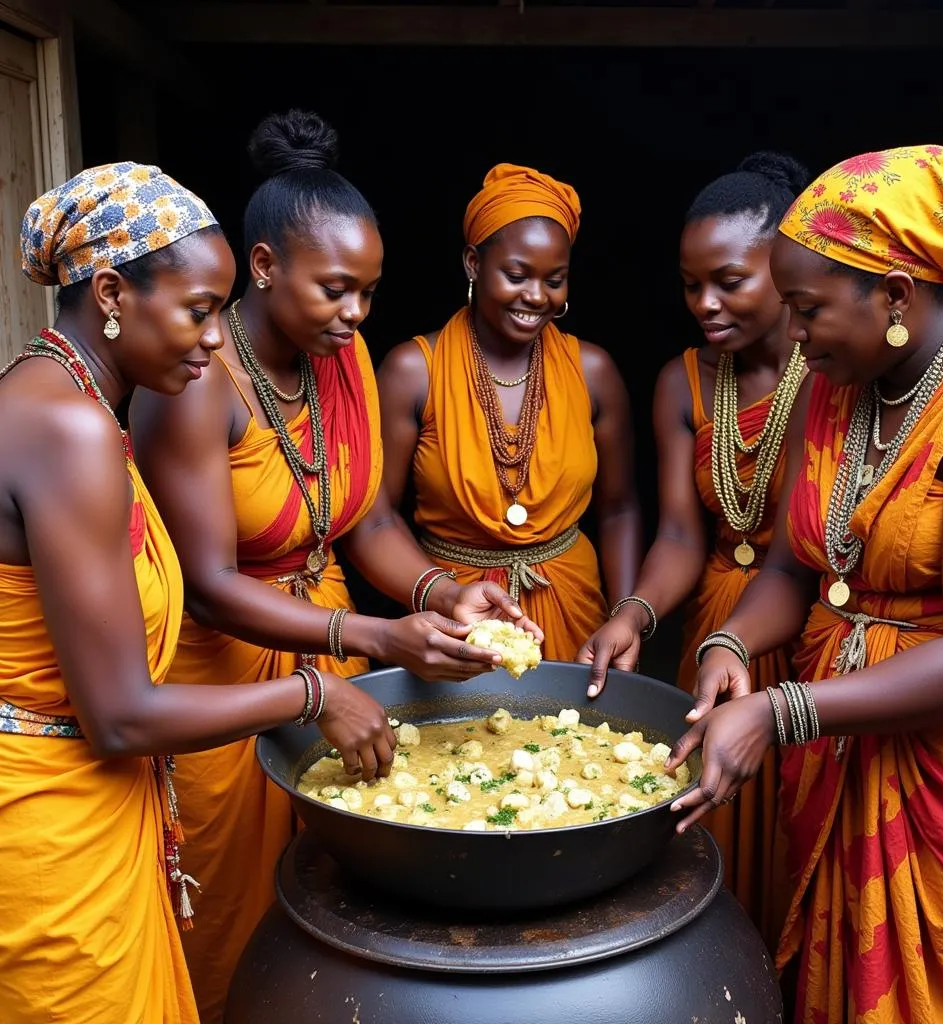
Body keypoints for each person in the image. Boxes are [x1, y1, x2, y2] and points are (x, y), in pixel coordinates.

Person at [130, 113, 536, 1024]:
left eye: (369, 292)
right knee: (234, 907)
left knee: (341, 893)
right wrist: (375, 633)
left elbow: (364, 521)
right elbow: (207, 583)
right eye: (337, 291)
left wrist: (439, 591)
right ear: (265, 267)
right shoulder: (195, 382)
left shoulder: (343, 359)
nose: (357, 315)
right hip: (226, 683)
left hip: (335, 663)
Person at [0, 162, 399, 1022]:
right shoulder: (67, 427)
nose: (217, 339)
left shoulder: (74, 401)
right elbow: (119, 717)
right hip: (50, 818)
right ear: (111, 292)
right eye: (199, 310)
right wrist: (313, 691)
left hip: (86, 803)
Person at [669, 145, 943, 1023]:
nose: (793, 334)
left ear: (895, 295)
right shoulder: (841, 382)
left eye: (808, 309)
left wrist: (785, 711)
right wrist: (729, 643)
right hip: (842, 743)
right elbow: (796, 563)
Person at [576, 152, 808, 939]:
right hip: (713, 639)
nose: (704, 303)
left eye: (730, 281)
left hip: (806, 636)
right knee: (703, 836)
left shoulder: (836, 373)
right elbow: (680, 531)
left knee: (797, 844)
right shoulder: (683, 381)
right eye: (689, 283)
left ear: (786, 266)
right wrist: (634, 613)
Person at [377, 163, 641, 662]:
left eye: (555, 279)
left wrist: (625, 614)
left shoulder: (593, 371)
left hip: (575, 612)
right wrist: (437, 592)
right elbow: (374, 518)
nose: (536, 296)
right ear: (473, 263)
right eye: (517, 275)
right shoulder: (414, 371)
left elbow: (621, 507)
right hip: (452, 621)